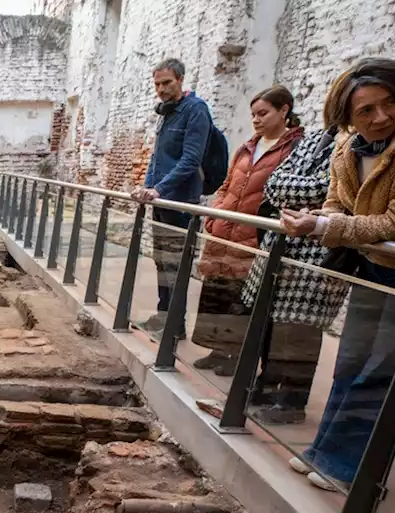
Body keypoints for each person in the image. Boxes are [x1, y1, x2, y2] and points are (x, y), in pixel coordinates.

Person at [280, 57, 395, 491]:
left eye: (390, 103)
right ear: (347, 116)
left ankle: (350, 472)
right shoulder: (348, 146)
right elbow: (336, 201)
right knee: (350, 363)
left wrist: (326, 227)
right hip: (371, 266)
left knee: (382, 371)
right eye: (366, 110)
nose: (381, 116)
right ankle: (324, 452)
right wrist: (325, 217)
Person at [239, 118, 350, 425]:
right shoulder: (316, 138)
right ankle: (268, 380)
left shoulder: (353, 144)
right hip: (284, 242)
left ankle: (291, 398)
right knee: (272, 322)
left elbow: (327, 188)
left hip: (318, 249)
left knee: (301, 327)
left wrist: (292, 190)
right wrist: (300, 192)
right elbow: (273, 184)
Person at [191, 86, 305, 375]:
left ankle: (235, 355)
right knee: (216, 293)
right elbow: (228, 184)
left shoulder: (294, 149)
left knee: (241, 298)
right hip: (224, 231)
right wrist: (214, 215)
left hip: (252, 235)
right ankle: (217, 349)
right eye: (253, 114)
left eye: (263, 113)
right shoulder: (248, 146)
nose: (256, 119)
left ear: (284, 110)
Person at [131, 58, 215, 333]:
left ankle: (175, 324)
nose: (161, 89)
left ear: (180, 79)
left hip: (181, 202)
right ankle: (163, 314)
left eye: (167, 83)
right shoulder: (166, 112)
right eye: (157, 84)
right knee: (161, 259)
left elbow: (191, 158)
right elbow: (157, 159)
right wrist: (146, 188)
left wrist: (159, 189)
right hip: (161, 200)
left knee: (177, 264)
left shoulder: (196, 110)